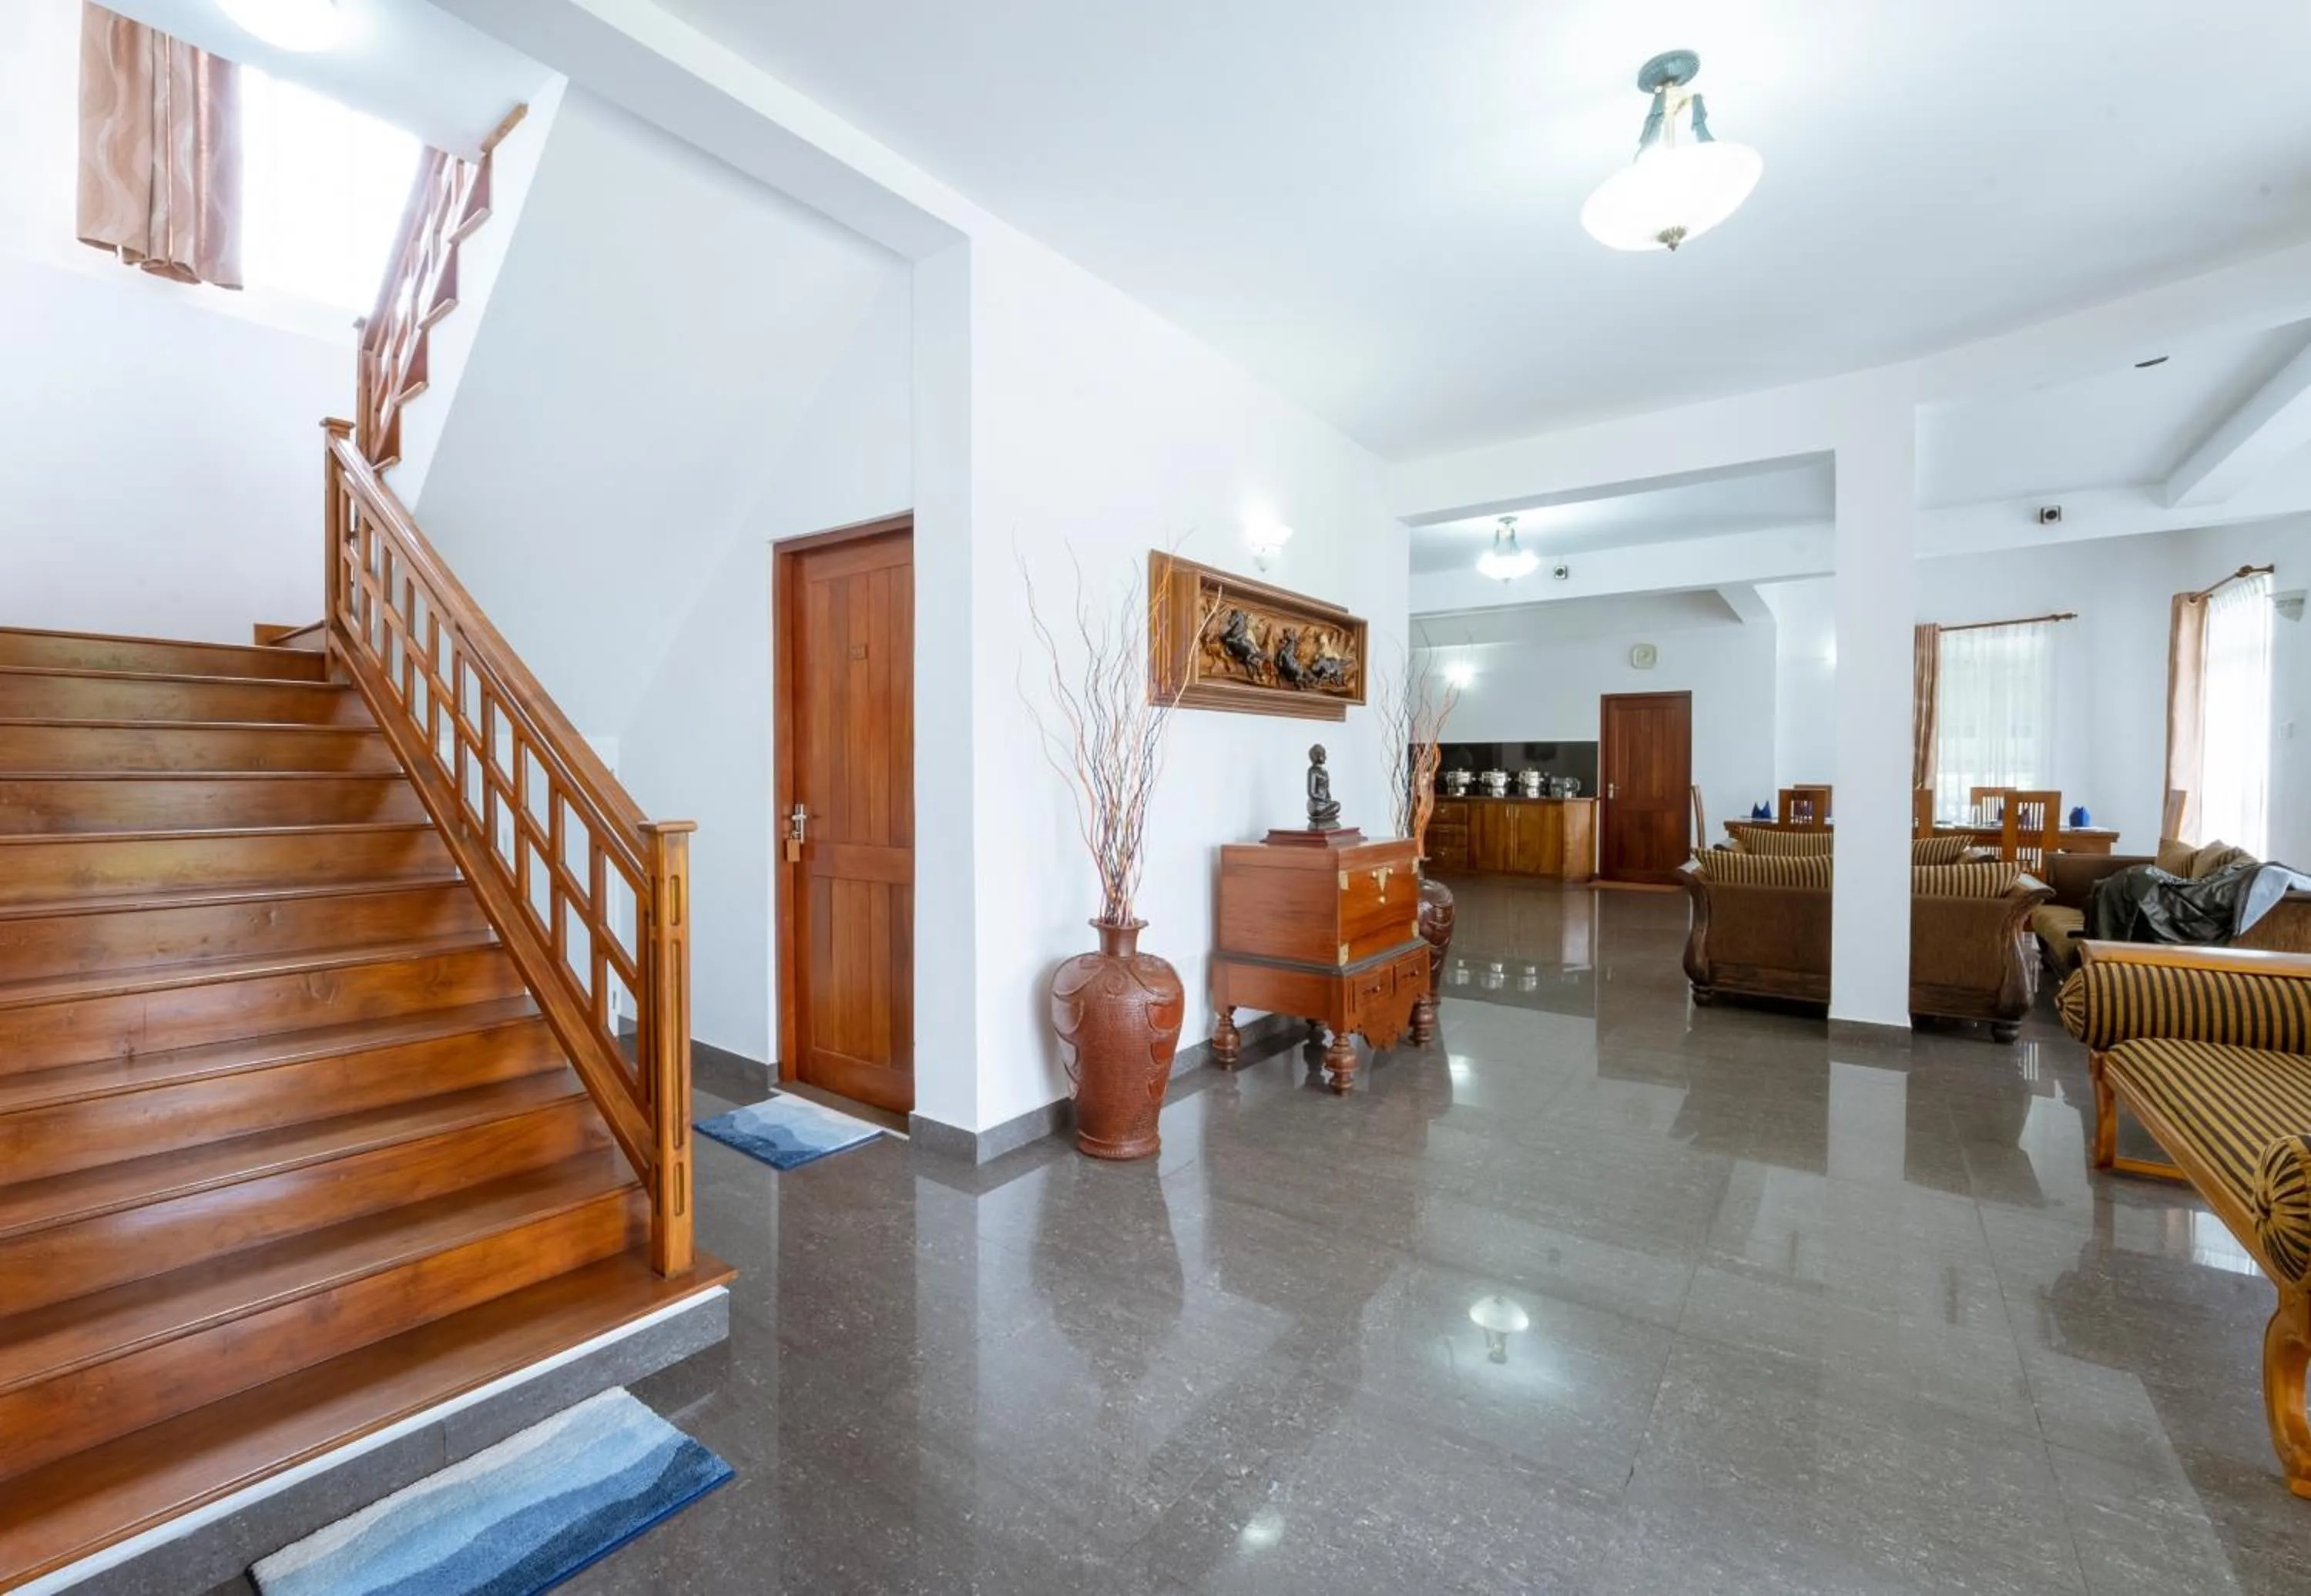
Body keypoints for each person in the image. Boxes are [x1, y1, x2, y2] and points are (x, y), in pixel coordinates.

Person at [1306, 743, 1341, 830]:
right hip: (1316, 804)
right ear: (1317, 756)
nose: (1325, 757)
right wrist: (1323, 799)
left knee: (1337, 805)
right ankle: (1321, 817)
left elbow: (1327, 790)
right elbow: (1312, 793)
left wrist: (1328, 799)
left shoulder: (1324, 772)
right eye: (1323, 755)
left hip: (1325, 804)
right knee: (1317, 810)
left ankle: (1325, 818)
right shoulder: (1312, 771)